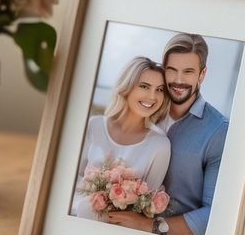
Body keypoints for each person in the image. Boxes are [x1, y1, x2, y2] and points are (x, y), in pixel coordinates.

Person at [109, 33, 229, 235]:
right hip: (119, 230)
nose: (178, 80)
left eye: (188, 72)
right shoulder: (146, 109)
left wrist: (148, 226)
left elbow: (216, 215)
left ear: (202, 74)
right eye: (171, 70)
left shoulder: (218, 130)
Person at [71, 56, 171, 220]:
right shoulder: (94, 125)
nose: (153, 97)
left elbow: (146, 208)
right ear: (127, 87)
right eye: (144, 86)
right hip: (75, 216)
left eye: (159, 89)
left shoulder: (160, 145)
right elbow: (72, 179)